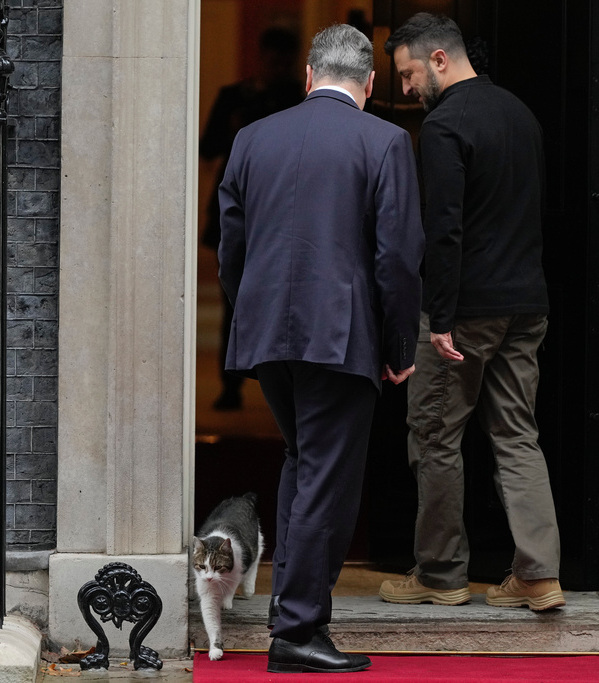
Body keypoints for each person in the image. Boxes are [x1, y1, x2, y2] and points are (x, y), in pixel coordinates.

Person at [218, 23, 424, 673]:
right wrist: (397, 345)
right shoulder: (387, 141)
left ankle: (292, 614)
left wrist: (248, 313)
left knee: (303, 465)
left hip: (268, 334)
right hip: (341, 336)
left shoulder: (253, 138)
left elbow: (231, 248)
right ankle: (299, 630)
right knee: (325, 481)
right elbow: (397, 259)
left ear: (308, 76)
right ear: (368, 83)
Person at [378, 13, 564, 612]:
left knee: (434, 434)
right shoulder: (521, 114)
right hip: (527, 303)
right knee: (517, 435)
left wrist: (440, 316)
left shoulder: (444, 125)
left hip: (465, 309)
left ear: (438, 60)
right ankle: (538, 575)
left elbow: (445, 230)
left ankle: (439, 574)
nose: (405, 89)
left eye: (408, 73)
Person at [200, 27, 305, 411]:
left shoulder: (298, 98)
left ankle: (284, 385)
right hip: (240, 206)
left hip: (284, 209)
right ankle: (231, 386)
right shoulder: (234, 96)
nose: (278, 68)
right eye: (273, 60)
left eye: (284, 62)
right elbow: (207, 148)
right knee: (234, 299)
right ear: (261, 56)